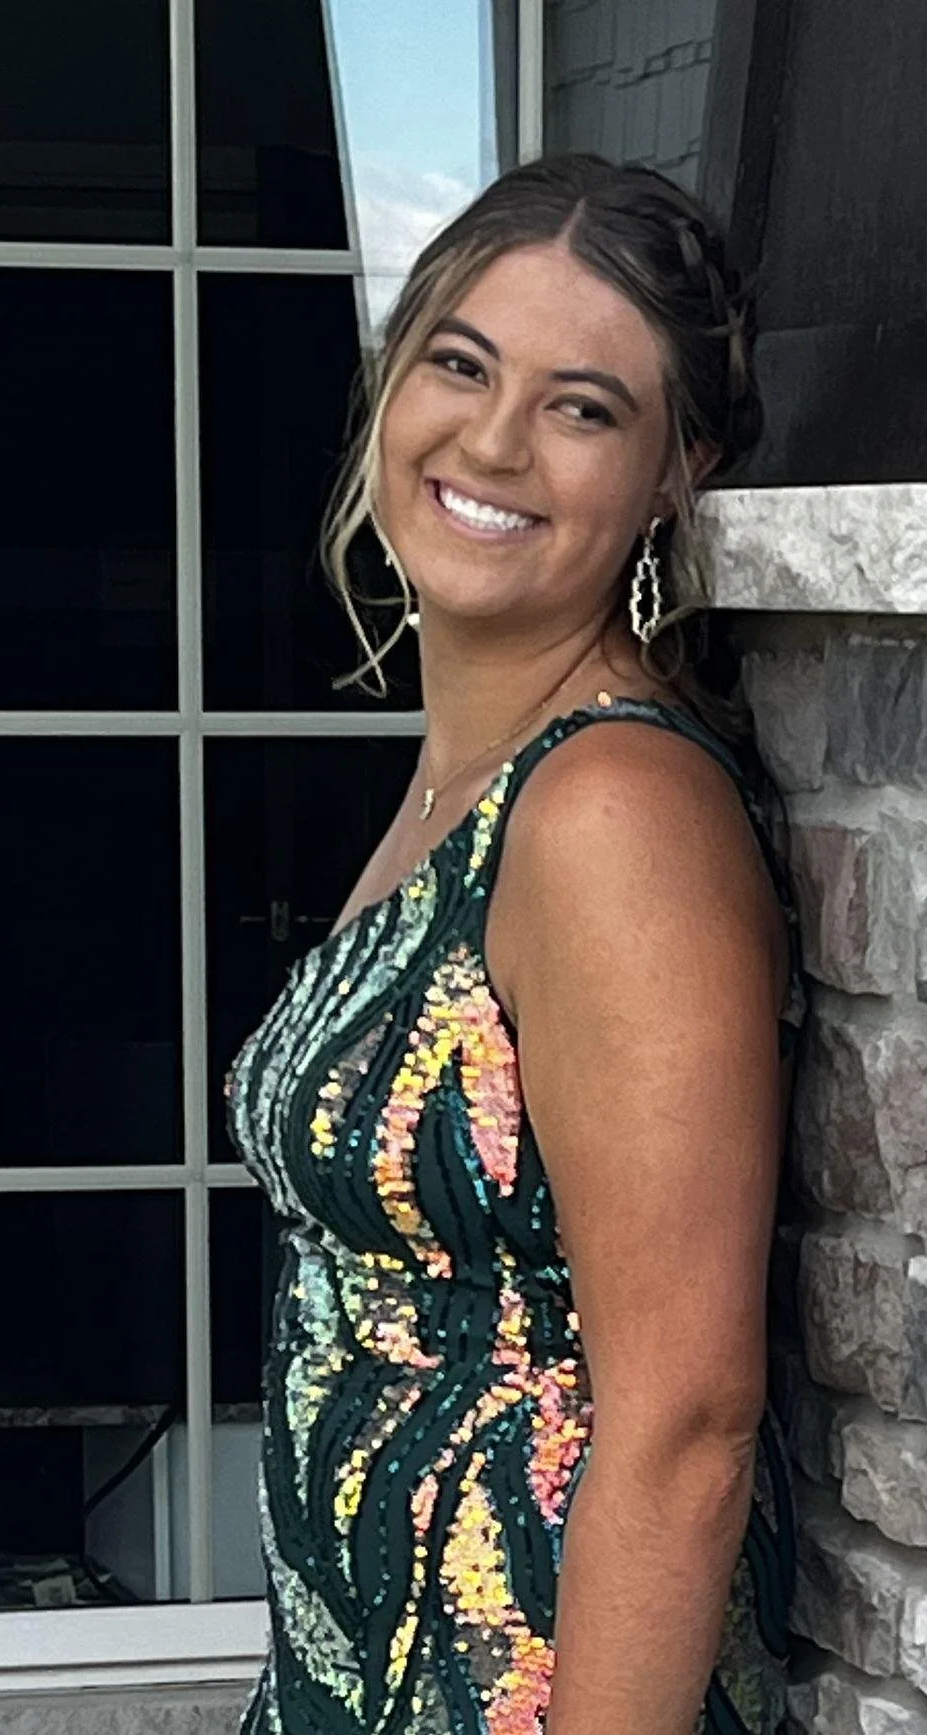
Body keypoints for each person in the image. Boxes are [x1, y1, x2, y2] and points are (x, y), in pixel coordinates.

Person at [223, 151, 805, 1735]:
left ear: (675, 469)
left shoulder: (608, 810)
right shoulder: (468, 781)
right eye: (460, 365)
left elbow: (687, 1420)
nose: (490, 439)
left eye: (581, 406)